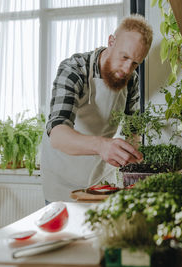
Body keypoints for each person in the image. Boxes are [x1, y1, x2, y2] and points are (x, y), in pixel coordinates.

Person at [40, 14, 153, 202]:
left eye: (135, 63)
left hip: (98, 178)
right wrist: (102, 145)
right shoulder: (75, 69)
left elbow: (133, 130)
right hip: (61, 178)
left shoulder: (131, 80)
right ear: (111, 41)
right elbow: (58, 134)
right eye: (124, 57)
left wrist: (132, 161)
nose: (127, 69)